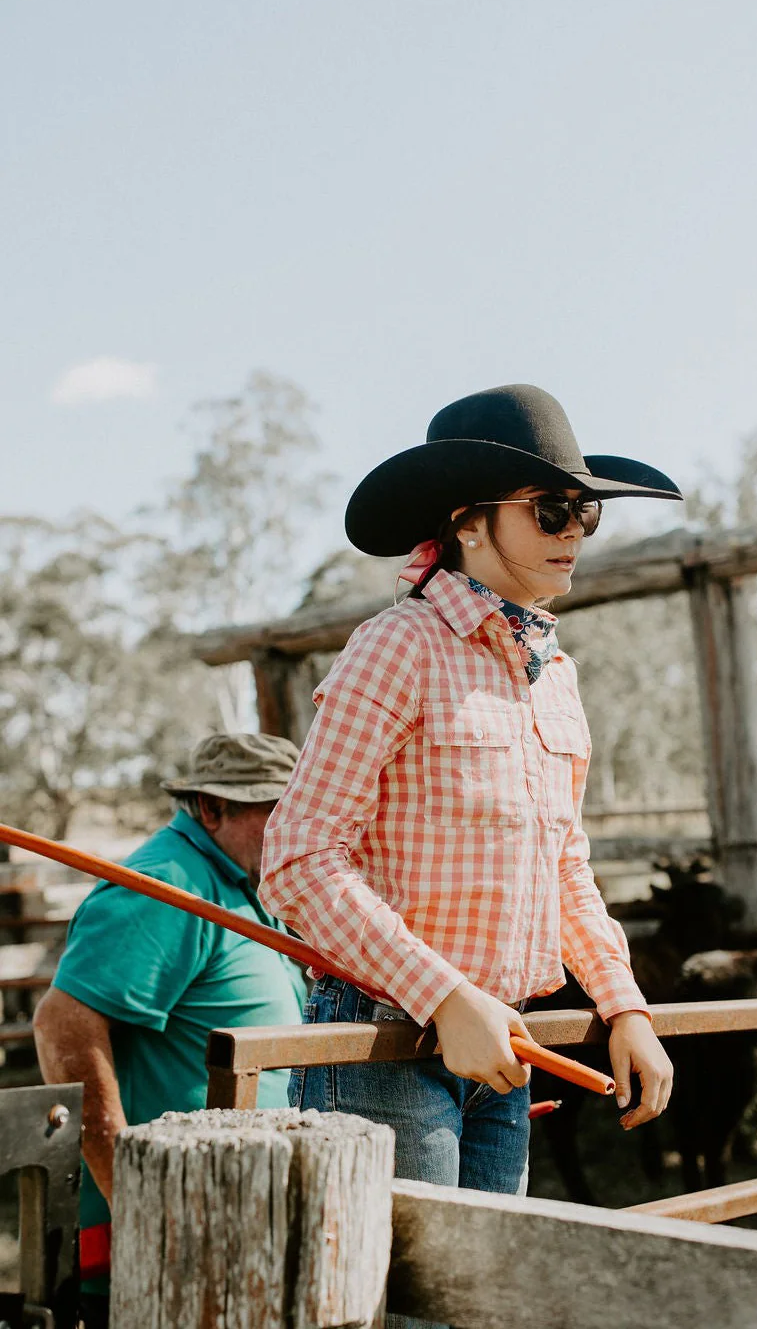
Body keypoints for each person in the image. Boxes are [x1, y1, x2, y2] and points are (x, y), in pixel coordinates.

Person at [260, 383, 684, 1323]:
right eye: (551, 509)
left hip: (509, 1044)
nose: (573, 530)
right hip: (385, 1040)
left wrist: (623, 1004)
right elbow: (297, 858)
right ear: (467, 522)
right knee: (407, 1307)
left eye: (585, 509)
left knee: (484, 1304)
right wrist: (445, 998)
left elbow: (561, 859)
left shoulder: (552, 672)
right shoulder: (396, 648)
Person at [33, 733, 307, 1329]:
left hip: (232, 1207)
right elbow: (63, 1023)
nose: (294, 827)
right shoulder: (168, 885)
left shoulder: (243, 881)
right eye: (275, 811)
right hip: (164, 1226)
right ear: (213, 809)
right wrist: (131, 1197)